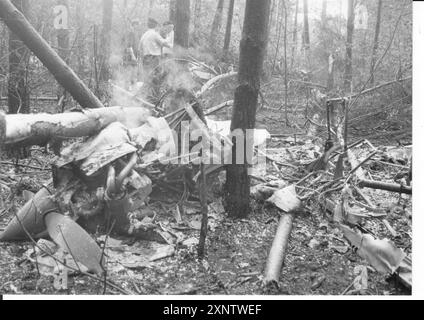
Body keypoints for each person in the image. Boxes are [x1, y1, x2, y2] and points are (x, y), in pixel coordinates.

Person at [138, 18, 171, 103]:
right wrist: (170, 40)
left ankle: (147, 98)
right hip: (154, 59)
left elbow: (140, 50)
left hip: (145, 59)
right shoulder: (154, 34)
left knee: (148, 79)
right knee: (156, 79)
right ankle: (154, 99)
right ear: (155, 25)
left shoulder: (143, 35)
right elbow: (164, 43)